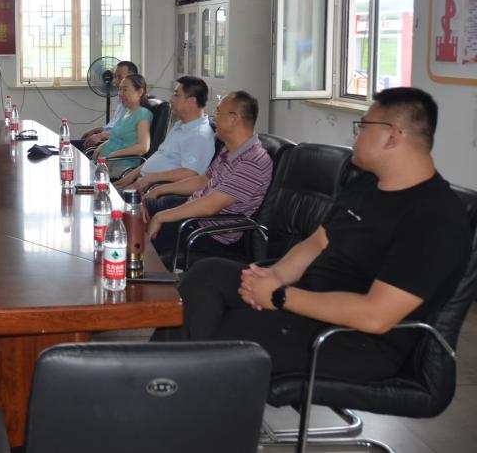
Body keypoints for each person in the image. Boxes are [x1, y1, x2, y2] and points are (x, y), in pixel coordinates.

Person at [160, 87, 470, 381]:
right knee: (207, 274)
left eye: (363, 127)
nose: (356, 134)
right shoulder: (366, 184)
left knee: (218, 328)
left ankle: (163, 387)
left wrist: (280, 296)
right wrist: (275, 276)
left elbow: (375, 316)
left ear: (392, 136)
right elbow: (317, 242)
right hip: (308, 301)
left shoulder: (435, 217)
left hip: (353, 339)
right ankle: (160, 379)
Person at [141, 90, 272, 263]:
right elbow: (203, 180)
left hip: (209, 233)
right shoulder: (229, 149)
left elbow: (210, 206)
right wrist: (160, 190)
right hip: (193, 213)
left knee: (137, 234)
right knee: (134, 210)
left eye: (218, 112)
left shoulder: (253, 162)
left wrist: (161, 216)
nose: (214, 118)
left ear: (234, 118)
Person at [116, 76, 215, 190]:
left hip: (153, 189)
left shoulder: (199, 135)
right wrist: (131, 176)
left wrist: (151, 178)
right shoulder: (180, 125)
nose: (171, 100)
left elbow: (190, 173)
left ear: (191, 101)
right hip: (142, 181)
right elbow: (160, 155)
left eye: (176, 95)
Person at [90, 73, 153, 175]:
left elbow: (143, 147)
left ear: (140, 92)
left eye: (125, 89)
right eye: (120, 89)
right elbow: (117, 138)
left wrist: (113, 154)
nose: (120, 93)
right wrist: (101, 147)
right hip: (105, 163)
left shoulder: (143, 114)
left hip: (121, 165)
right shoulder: (126, 111)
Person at [78, 60, 137, 151]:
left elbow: (127, 135)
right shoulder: (121, 99)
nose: (116, 82)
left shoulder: (136, 104)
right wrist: (98, 129)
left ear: (133, 79)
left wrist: (102, 135)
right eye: (115, 77)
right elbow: (115, 125)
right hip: (106, 140)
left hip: (114, 146)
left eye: (120, 77)